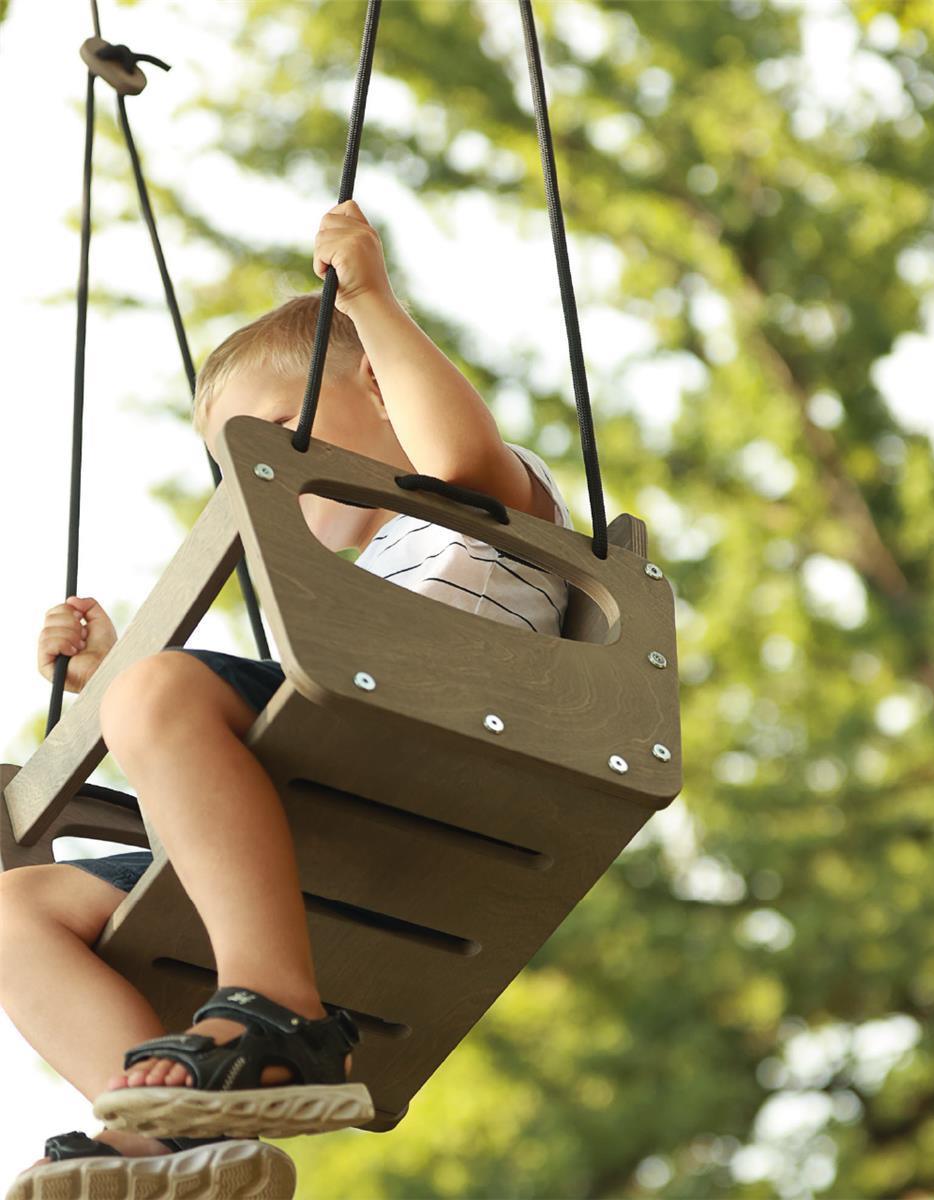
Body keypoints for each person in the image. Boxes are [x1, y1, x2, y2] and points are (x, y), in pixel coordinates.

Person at [1, 199, 573, 1199]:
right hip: (314, 818)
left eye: (275, 433)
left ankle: (275, 1005)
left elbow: (459, 459)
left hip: (433, 762)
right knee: (14, 912)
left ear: (380, 388)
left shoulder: (479, 513)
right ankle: (168, 1136)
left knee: (160, 690)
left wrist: (372, 305)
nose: (266, 477)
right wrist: (112, 682)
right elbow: (215, 755)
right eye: (236, 467)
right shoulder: (352, 599)